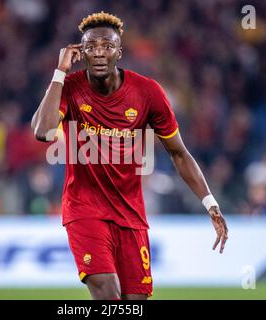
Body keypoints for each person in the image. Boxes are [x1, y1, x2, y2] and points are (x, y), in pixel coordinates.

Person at [31, 12, 228, 300]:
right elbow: (43, 132)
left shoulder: (147, 93)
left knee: (134, 302)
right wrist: (59, 72)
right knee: (109, 294)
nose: (99, 52)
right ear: (80, 52)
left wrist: (209, 202)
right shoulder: (70, 88)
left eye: (107, 46)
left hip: (131, 215)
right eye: (91, 47)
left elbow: (179, 153)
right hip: (84, 210)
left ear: (118, 53)